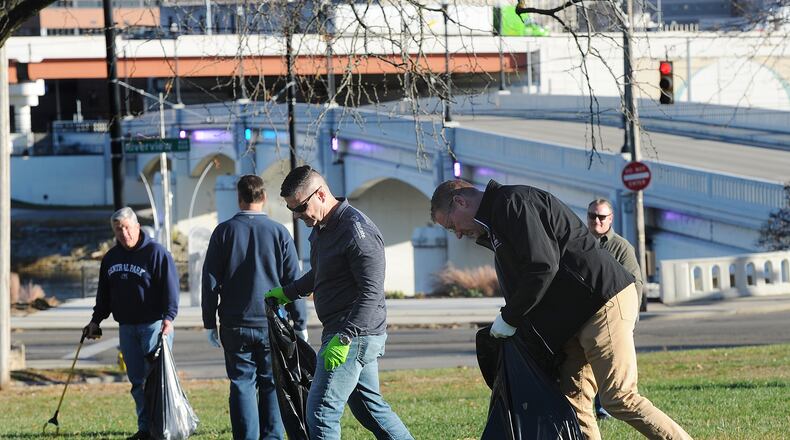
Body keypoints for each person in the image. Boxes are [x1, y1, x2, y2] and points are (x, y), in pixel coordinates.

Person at [430, 179, 692, 440]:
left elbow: (542, 266)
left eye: (452, 225)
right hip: (575, 317)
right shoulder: (498, 220)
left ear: (460, 201)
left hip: (601, 302)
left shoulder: (513, 202)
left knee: (618, 398)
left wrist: (510, 318)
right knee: (572, 404)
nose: (458, 234)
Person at [265, 165, 413, 440]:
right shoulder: (324, 228)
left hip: (351, 336)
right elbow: (321, 273)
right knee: (371, 410)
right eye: (292, 210)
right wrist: (288, 292)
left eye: (300, 207)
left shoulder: (357, 232)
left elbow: (371, 292)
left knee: (320, 414)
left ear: (320, 194)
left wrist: (345, 338)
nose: (297, 216)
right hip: (346, 333)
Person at [201, 174, 309, 440]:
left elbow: (210, 281)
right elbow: (294, 281)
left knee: (241, 384)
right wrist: (300, 321)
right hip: (271, 321)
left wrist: (208, 322)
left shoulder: (223, 232)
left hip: (234, 321)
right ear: (264, 197)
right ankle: (271, 436)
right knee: (272, 382)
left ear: (239, 198)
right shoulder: (279, 232)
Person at [83, 207, 179, 440]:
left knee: (157, 382)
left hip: (154, 325)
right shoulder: (111, 258)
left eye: (127, 227)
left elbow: (171, 290)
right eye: (118, 229)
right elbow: (104, 295)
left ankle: (163, 428)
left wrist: (169, 318)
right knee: (137, 382)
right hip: (126, 327)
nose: (124, 233)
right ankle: (145, 429)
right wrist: (95, 321)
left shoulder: (157, 253)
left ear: (136, 226)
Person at [587, 198, 644, 420]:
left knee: (610, 363)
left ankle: (604, 408)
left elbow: (635, 282)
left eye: (602, 217)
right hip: (586, 316)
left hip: (613, 315)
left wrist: (630, 316)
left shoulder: (621, 247)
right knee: (587, 363)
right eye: (592, 216)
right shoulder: (579, 243)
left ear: (610, 219)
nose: (597, 221)